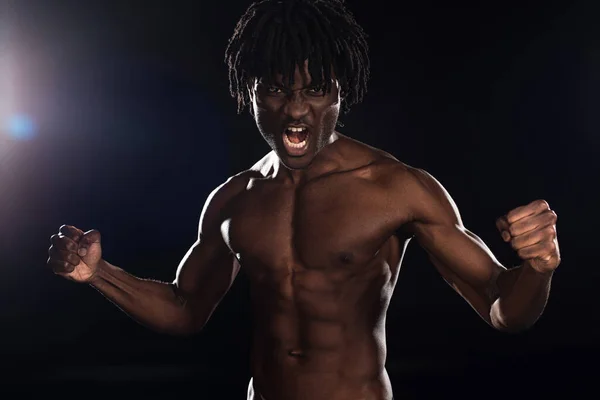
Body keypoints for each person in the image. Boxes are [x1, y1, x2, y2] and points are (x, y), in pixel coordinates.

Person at [46, 1, 561, 399]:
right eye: (274, 90)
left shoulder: (395, 188)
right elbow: (186, 310)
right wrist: (99, 275)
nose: (296, 110)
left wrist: (537, 268)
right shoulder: (234, 199)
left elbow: (501, 308)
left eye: (316, 91)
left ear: (341, 94)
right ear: (249, 93)